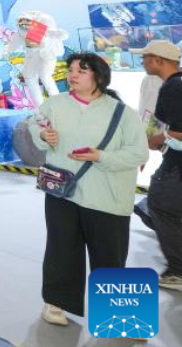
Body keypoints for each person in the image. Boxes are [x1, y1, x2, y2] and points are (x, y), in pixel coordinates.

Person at [31, 53, 149, 325]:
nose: (72, 75)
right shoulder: (55, 104)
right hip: (62, 193)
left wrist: (101, 156)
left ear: (99, 76)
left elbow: (139, 153)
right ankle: (55, 304)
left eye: (81, 71)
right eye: (71, 70)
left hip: (107, 197)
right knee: (61, 250)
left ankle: (122, 317)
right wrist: (42, 135)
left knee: (110, 255)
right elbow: (33, 124)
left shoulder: (122, 113)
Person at [141, 40, 182, 291]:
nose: (142, 62)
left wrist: (159, 138)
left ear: (158, 60)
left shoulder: (172, 88)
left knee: (160, 204)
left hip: (176, 164)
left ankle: (178, 271)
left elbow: (176, 131)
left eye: (146, 58)